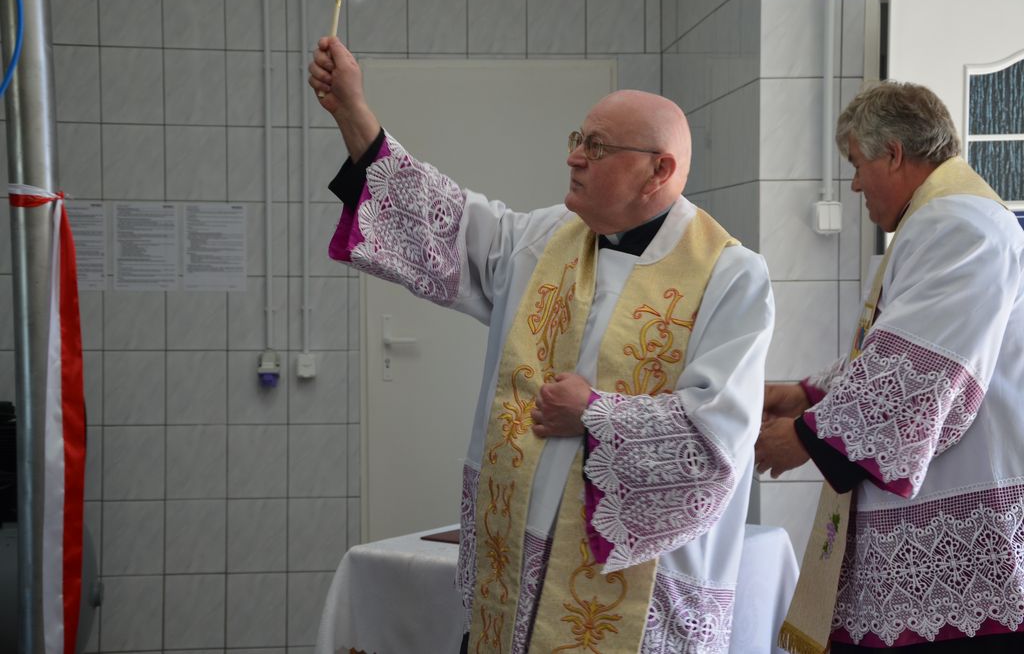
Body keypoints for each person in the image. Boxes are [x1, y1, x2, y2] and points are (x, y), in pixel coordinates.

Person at [309, 36, 774, 653]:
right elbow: (445, 221)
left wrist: (594, 415)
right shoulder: (547, 237)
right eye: (578, 139)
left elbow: (717, 437)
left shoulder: (729, 275)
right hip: (517, 570)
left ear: (659, 171)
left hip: (635, 594)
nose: (575, 158)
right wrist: (353, 113)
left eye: (597, 147)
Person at [756, 81, 1024, 653]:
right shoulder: (945, 219)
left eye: (857, 163)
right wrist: (806, 394)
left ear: (895, 154)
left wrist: (804, 438)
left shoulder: (960, 224)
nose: (854, 183)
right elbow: (896, 348)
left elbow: (925, 371)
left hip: (968, 521)